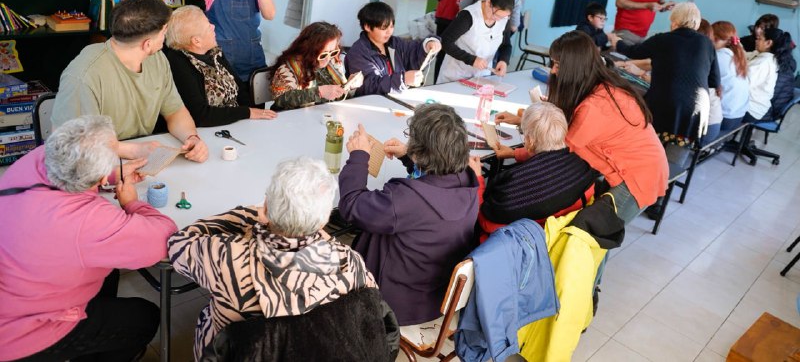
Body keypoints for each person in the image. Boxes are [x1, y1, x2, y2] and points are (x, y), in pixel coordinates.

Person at [0, 115, 177, 361]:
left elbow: (68, 179)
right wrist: (132, 203)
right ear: (99, 178)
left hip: (15, 295)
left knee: (109, 272)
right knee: (144, 317)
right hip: (22, 335)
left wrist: (115, 175)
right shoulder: (86, 222)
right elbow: (165, 239)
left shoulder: (37, 158)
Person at [168, 157, 381, 360]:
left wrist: (246, 214)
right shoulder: (350, 262)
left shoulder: (230, 258)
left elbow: (178, 244)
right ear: (324, 218)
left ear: (266, 208)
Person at [338, 104, 481, 326]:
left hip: (393, 305)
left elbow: (351, 205)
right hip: (435, 297)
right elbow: (435, 186)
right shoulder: (469, 182)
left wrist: (358, 156)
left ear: (422, 150)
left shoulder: (404, 200)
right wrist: (409, 157)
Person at [52, 0, 208, 162]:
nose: (165, 37)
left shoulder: (157, 59)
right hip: (94, 163)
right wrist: (131, 150)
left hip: (140, 157)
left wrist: (191, 138)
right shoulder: (83, 75)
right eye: (164, 32)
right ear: (147, 44)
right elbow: (67, 143)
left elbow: (175, 111)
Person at [544, 31, 668, 224]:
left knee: (592, 238)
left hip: (636, 178)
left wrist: (517, 151)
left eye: (558, 65)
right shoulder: (600, 85)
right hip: (639, 168)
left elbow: (559, 148)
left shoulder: (595, 105)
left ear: (574, 67)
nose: (553, 71)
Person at [479, 102, 597, 239]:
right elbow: (548, 155)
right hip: (560, 236)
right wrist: (514, 153)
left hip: (519, 244)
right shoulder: (583, 169)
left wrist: (478, 180)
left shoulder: (515, 187)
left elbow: (486, 222)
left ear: (530, 142)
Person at [612, 3, 720, 145]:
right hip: (697, 111)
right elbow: (714, 81)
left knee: (645, 138)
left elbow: (633, 52)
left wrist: (616, 41)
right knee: (674, 154)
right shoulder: (707, 43)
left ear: (674, 21)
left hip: (665, 105)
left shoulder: (663, 39)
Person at [164, 5, 277, 127]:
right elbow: (201, 115)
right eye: (208, 26)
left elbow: (240, 89)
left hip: (236, 123)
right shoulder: (179, 63)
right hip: (209, 130)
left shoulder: (214, 52)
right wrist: (247, 113)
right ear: (196, 41)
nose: (213, 27)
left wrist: (251, 116)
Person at [344, 1, 442, 95]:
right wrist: (403, 80)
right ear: (368, 27)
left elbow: (414, 50)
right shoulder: (358, 53)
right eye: (383, 28)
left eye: (391, 27)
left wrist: (428, 44)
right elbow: (369, 86)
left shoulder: (394, 43)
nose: (389, 32)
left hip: (395, 98)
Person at [270, 21, 356, 111]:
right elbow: (281, 99)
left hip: (321, 115)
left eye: (333, 52)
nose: (328, 58)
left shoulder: (333, 63)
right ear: (309, 50)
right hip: (291, 119)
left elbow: (339, 96)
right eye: (323, 54)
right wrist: (319, 92)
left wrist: (349, 87)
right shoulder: (289, 68)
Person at [438, 0, 514, 83]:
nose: (498, 19)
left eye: (503, 17)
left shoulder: (503, 19)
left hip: (482, 77)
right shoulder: (469, 16)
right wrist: (471, 60)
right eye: (496, 15)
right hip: (456, 74)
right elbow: (445, 42)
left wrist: (503, 60)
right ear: (488, 3)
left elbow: (506, 45)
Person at [744, 27, 793, 122]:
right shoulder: (769, 57)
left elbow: (742, 84)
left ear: (768, 43)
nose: (756, 41)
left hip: (750, 109)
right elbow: (746, 55)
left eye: (759, 39)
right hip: (756, 108)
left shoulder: (764, 62)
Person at [711, 21, 749, 132]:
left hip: (724, 118)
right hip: (737, 116)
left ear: (715, 38)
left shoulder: (720, 57)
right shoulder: (737, 55)